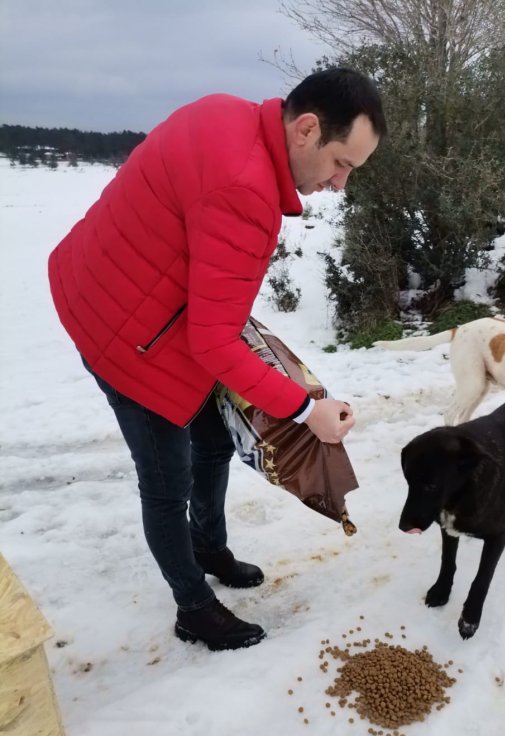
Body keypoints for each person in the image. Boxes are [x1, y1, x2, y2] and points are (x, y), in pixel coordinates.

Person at [48, 67, 385, 651]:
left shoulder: (227, 112)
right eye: (340, 164)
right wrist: (306, 410)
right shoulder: (246, 190)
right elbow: (213, 342)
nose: (339, 184)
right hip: (124, 337)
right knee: (165, 478)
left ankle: (208, 545)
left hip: (115, 285)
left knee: (211, 439)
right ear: (305, 129)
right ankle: (194, 608)